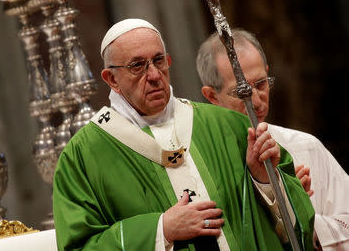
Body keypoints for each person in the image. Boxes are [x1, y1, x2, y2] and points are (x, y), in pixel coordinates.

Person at [53, 19, 315, 250]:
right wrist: (160, 230)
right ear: (111, 79)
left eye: (158, 61)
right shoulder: (83, 156)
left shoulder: (229, 126)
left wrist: (265, 180)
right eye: (137, 66)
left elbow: (294, 226)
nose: (154, 75)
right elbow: (79, 245)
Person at [196, 28, 349, 251]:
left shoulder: (306, 147)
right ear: (211, 96)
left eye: (260, 84)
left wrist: (299, 209)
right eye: (241, 92)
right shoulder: (203, 163)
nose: (255, 101)